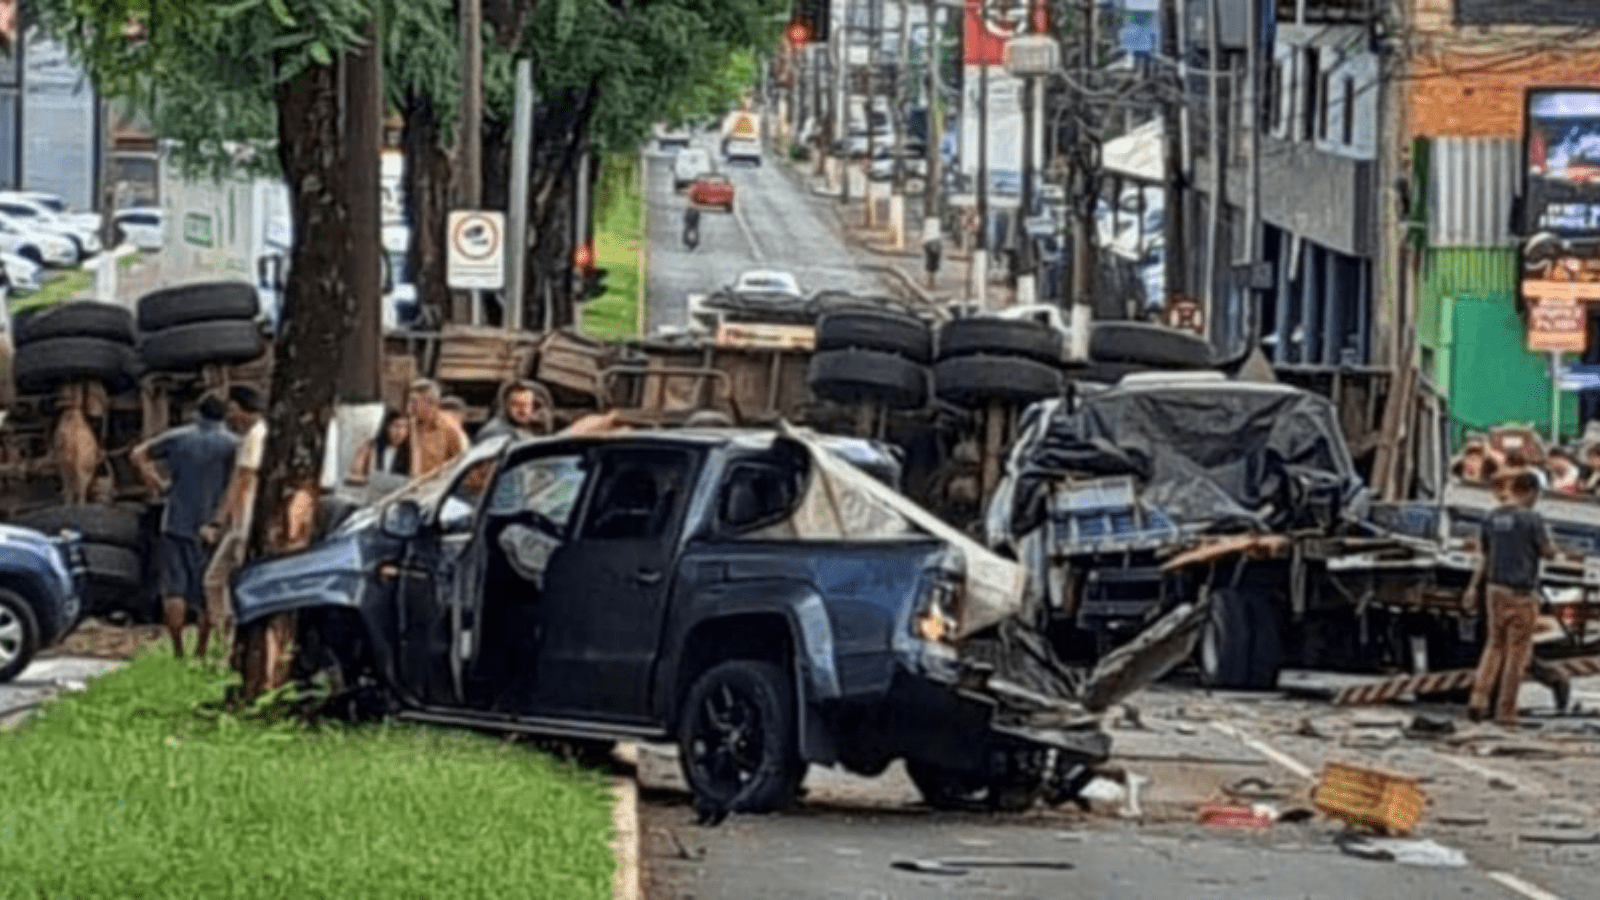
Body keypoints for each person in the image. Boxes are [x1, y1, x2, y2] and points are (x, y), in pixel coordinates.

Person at [131, 394, 238, 658]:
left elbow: (138, 454)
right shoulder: (233, 444)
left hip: (176, 522)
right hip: (214, 527)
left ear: (197, 413)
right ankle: (201, 648)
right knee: (208, 588)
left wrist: (155, 483)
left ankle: (178, 650)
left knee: (174, 588)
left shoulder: (178, 438)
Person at [1464, 470, 1565, 725]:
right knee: (1516, 655)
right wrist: (1558, 551)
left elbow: (1483, 558)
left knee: (1494, 646)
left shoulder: (1491, 517)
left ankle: (1477, 699)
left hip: (1494, 590)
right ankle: (1506, 711)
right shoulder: (1532, 519)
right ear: (1531, 492)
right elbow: (1547, 551)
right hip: (1521, 593)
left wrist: (1472, 589)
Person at [200, 385, 268, 639]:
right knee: (214, 580)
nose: (229, 416)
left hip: (245, 523)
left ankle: (230, 637)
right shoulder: (252, 436)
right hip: (240, 523)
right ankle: (224, 637)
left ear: (243, 409)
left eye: (232, 409)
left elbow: (241, 482)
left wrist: (218, 522)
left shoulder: (254, 438)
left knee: (228, 581)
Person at [408, 378, 468, 477]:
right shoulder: (412, 425)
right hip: (411, 486)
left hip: (437, 487)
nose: (410, 407)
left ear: (430, 402)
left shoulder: (449, 426)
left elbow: (462, 457)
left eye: (414, 401)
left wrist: (438, 473)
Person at [348, 407, 412, 484]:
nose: (400, 432)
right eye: (396, 426)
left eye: (405, 427)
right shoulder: (372, 446)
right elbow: (354, 474)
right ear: (386, 427)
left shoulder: (408, 452)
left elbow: (412, 480)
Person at [477, 380, 549, 443]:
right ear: (506, 406)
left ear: (532, 407)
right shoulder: (493, 433)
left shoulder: (532, 429)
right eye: (515, 404)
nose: (521, 409)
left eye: (525, 404)